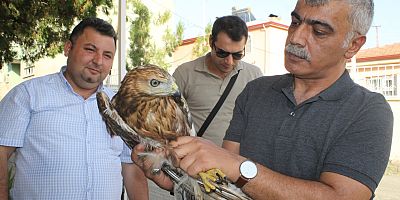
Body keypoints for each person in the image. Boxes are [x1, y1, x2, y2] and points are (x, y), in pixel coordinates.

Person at [132, 0, 394, 199]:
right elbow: (222, 181)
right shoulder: (255, 91)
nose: (296, 38)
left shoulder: (369, 112)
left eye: (319, 31)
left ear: (353, 45)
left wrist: (241, 167)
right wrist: (179, 181)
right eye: (295, 22)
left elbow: (340, 196)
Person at [0, 17, 148, 199]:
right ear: (68, 48)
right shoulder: (27, 95)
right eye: (90, 50)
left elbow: (131, 167)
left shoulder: (121, 105)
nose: (98, 61)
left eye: (107, 55)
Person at [173, 15, 263, 146]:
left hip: (236, 161)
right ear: (211, 42)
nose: (229, 61)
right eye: (222, 53)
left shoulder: (254, 75)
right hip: (196, 160)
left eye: (237, 55)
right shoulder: (185, 74)